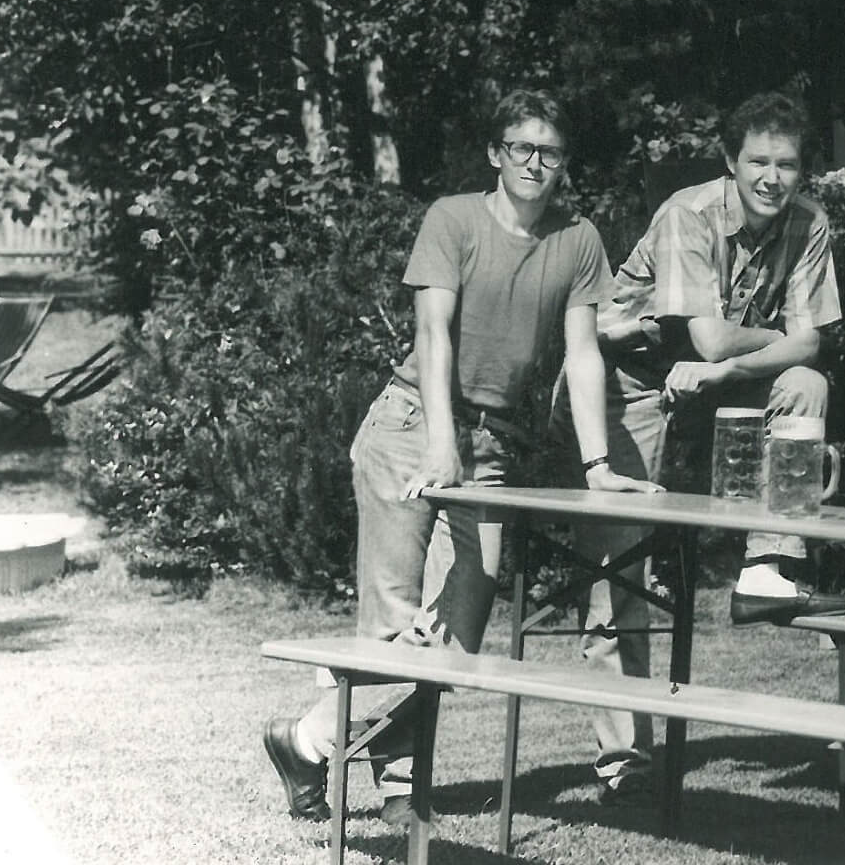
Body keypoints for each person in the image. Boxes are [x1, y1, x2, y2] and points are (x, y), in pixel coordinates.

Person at [261, 88, 661, 827]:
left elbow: (582, 351)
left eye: (550, 151)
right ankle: (401, 794)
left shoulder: (578, 240)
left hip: (493, 447)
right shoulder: (453, 219)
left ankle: (308, 740)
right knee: (394, 622)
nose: (536, 162)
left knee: (456, 632)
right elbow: (433, 334)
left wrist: (599, 462)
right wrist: (443, 442)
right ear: (495, 154)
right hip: (411, 427)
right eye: (522, 148)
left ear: (564, 163)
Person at [553, 91, 845, 796]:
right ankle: (623, 757)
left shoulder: (809, 223)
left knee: (808, 382)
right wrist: (757, 348)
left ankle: (770, 562)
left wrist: (735, 363)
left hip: (711, 375)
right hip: (626, 378)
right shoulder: (688, 213)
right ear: (730, 161)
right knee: (619, 569)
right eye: (758, 161)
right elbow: (712, 335)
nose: (772, 177)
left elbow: (805, 345)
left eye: (786, 163)